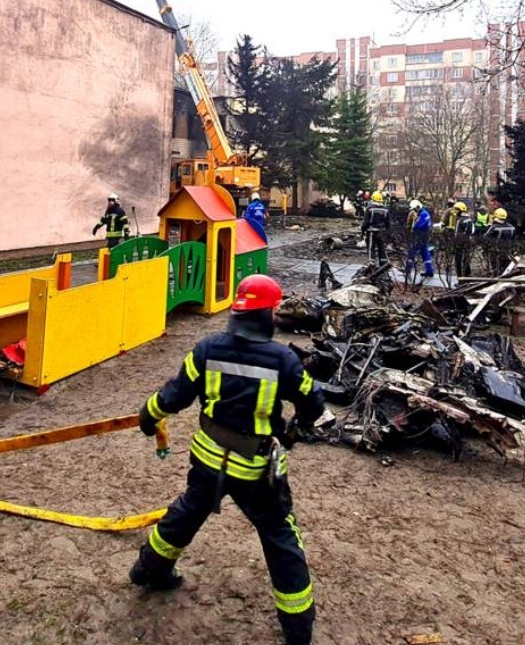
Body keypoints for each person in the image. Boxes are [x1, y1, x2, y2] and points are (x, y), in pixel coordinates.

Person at [130, 275, 325, 645]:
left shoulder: (206, 349)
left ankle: (148, 570)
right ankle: (298, 628)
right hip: (256, 472)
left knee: (186, 513)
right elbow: (312, 402)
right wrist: (295, 429)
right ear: (268, 314)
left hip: (208, 460)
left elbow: (175, 394)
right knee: (280, 536)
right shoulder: (283, 360)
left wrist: (147, 416)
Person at [406, 199, 435, 278]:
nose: (414, 211)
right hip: (425, 234)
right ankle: (429, 270)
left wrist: (412, 229)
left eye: (414, 209)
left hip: (420, 235)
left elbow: (417, 225)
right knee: (424, 251)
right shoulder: (425, 213)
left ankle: (408, 269)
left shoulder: (423, 214)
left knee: (412, 251)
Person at [361, 191, 391, 265]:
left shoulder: (370, 209)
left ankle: (371, 263)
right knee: (381, 247)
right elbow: (388, 222)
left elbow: (366, 221)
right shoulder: (385, 209)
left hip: (371, 231)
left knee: (371, 248)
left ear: (373, 199)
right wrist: (387, 231)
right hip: (381, 232)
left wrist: (363, 230)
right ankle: (383, 263)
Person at [484, 207, 516, 275]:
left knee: (496, 269)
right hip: (508, 252)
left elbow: (485, 238)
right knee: (506, 269)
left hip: (496, 252)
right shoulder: (512, 227)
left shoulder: (494, 227)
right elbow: (514, 240)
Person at [450, 201, 475, 278]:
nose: (455, 212)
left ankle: (460, 277)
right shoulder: (468, 219)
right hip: (466, 242)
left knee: (458, 260)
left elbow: (458, 233)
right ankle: (467, 274)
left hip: (460, 243)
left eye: (456, 210)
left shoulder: (461, 220)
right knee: (466, 259)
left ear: (460, 210)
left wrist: (455, 242)